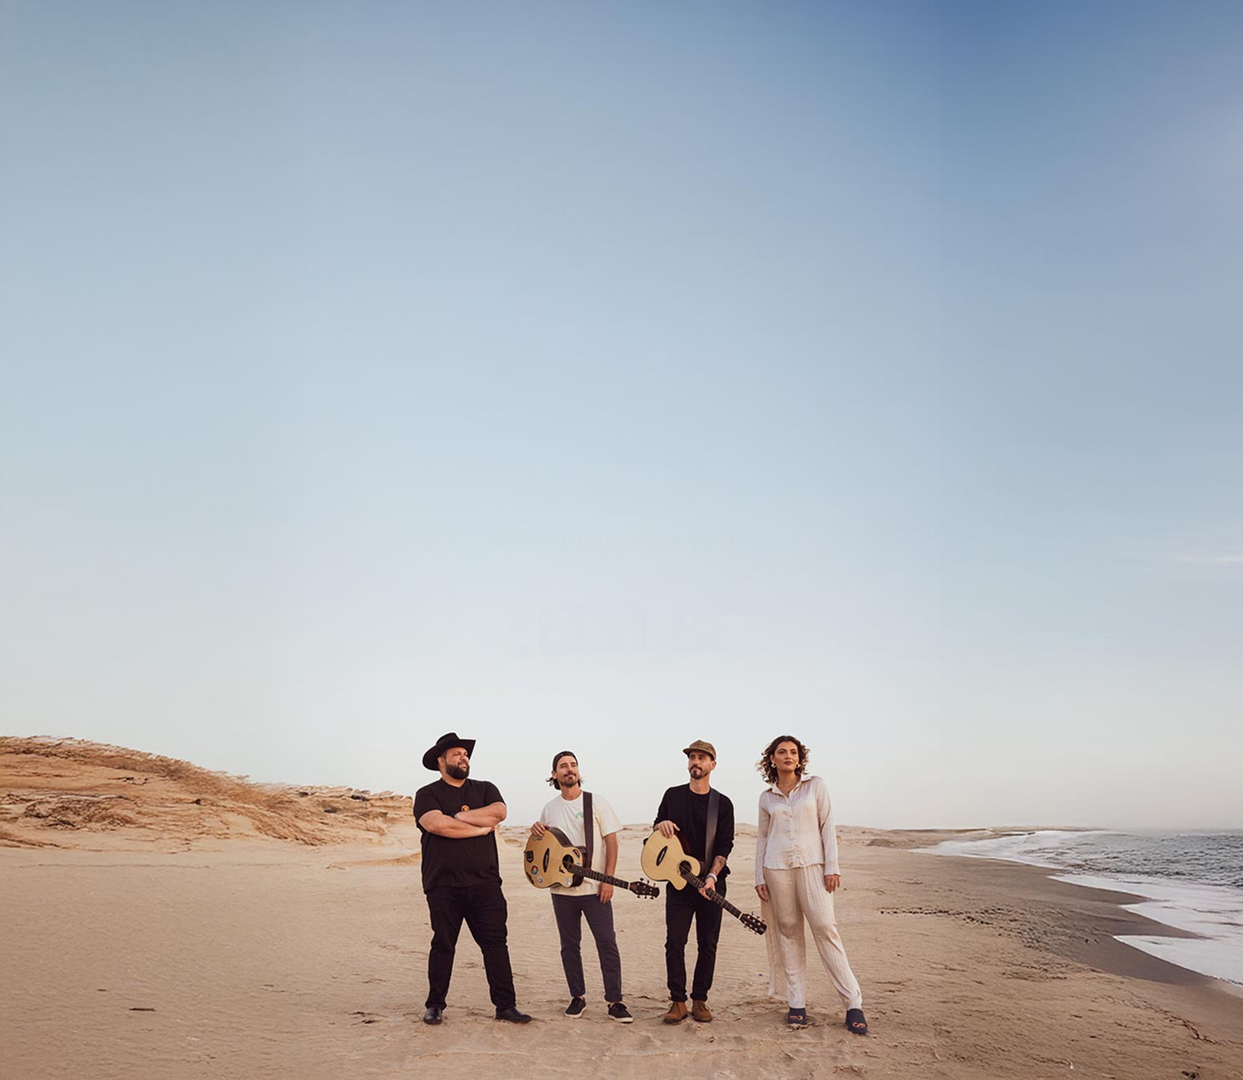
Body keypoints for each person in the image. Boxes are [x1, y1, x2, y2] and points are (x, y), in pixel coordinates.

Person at [412, 731, 531, 1025]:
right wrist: (478, 828)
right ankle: (435, 1005)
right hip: (443, 884)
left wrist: (458, 817)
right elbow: (436, 825)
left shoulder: (485, 788)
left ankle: (505, 1006)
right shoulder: (427, 794)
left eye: (465, 754)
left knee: (495, 944)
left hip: (485, 884)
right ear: (441, 761)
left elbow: (498, 812)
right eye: (456, 754)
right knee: (443, 944)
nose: (463, 757)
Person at [754, 735, 867, 1033]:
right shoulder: (766, 797)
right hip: (776, 868)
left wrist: (833, 866)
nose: (788, 756)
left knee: (825, 928)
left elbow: (826, 826)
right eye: (782, 752)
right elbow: (763, 838)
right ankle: (796, 1003)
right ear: (772, 760)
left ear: (799, 758)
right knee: (789, 933)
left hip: (813, 866)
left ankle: (853, 1002)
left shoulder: (815, 786)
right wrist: (758, 877)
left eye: (793, 752)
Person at [530, 751, 633, 1022]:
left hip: (594, 889)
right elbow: (543, 849)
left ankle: (615, 1002)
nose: (569, 769)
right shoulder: (549, 808)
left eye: (573, 765)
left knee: (607, 943)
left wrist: (607, 880)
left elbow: (611, 842)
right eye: (563, 766)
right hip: (561, 890)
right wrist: (536, 832)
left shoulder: (595, 802)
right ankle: (578, 997)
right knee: (569, 945)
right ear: (554, 774)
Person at [652, 739, 735, 1024]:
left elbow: (725, 845)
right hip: (678, 883)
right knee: (674, 942)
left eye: (702, 758)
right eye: (692, 757)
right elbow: (656, 835)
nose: (695, 762)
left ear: (713, 765)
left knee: (707, 944)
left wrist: (712, 876)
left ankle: (700, 1000)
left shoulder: (722, 804)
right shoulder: (672, 795)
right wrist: (659, 826)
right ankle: (677, 1001)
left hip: (711, 883)